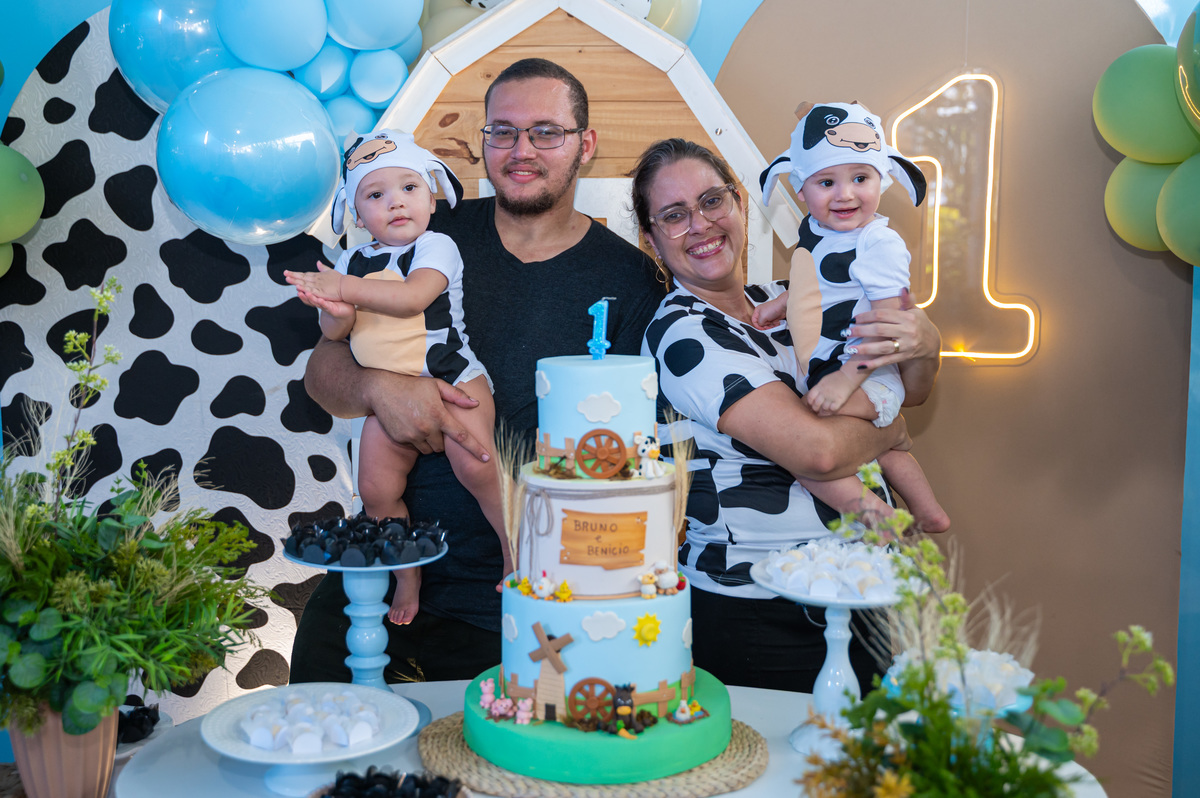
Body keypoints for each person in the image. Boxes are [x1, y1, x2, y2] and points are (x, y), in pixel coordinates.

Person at [289, 58, 665, 683]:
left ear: (586, 144)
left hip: (516, 605)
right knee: (310, 734)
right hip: (381, 575)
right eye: (503, 132)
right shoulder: (419, 228)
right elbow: (322, 374)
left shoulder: (630, 280)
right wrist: (381, 389)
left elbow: (631, 457)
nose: (522, 150)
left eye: (546, 132)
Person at [632, 138, 942, 692]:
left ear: (739, 205)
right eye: (674, 216)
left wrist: (925, 344)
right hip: (760, 610)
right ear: (651, 240)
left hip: (854, 592)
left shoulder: (789, 296)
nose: (700, 224)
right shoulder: (684, 332)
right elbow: (817, 453)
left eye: (712, 201)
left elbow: (909, 390)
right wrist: (890, 428)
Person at [284, 130, 508, 626]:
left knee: (477, 465)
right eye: (376, 194)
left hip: (454, 376)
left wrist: (342, 287)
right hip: (388, 395)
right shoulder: (352, 261)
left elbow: (412, 299)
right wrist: (332, 308)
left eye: (409, 188)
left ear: (432, 196)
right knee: (375, 490)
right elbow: (336, 333)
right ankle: (408, 573)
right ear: (356, 214)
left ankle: (515, 549)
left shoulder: (437, 246)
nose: (396, 202)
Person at [756, 101, 948, 533]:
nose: (845, 194)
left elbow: (890, 330)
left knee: (799, 447)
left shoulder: (877, 244)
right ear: (801, 189)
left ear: (883, 178)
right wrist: (781, 303)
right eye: (827, 182)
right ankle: (927, 510)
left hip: (867, 377)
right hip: (836, 373)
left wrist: (846, 380)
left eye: (860, 178)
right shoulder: (819, 230)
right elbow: (820, 286)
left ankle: (878, 518)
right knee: (888, 450)